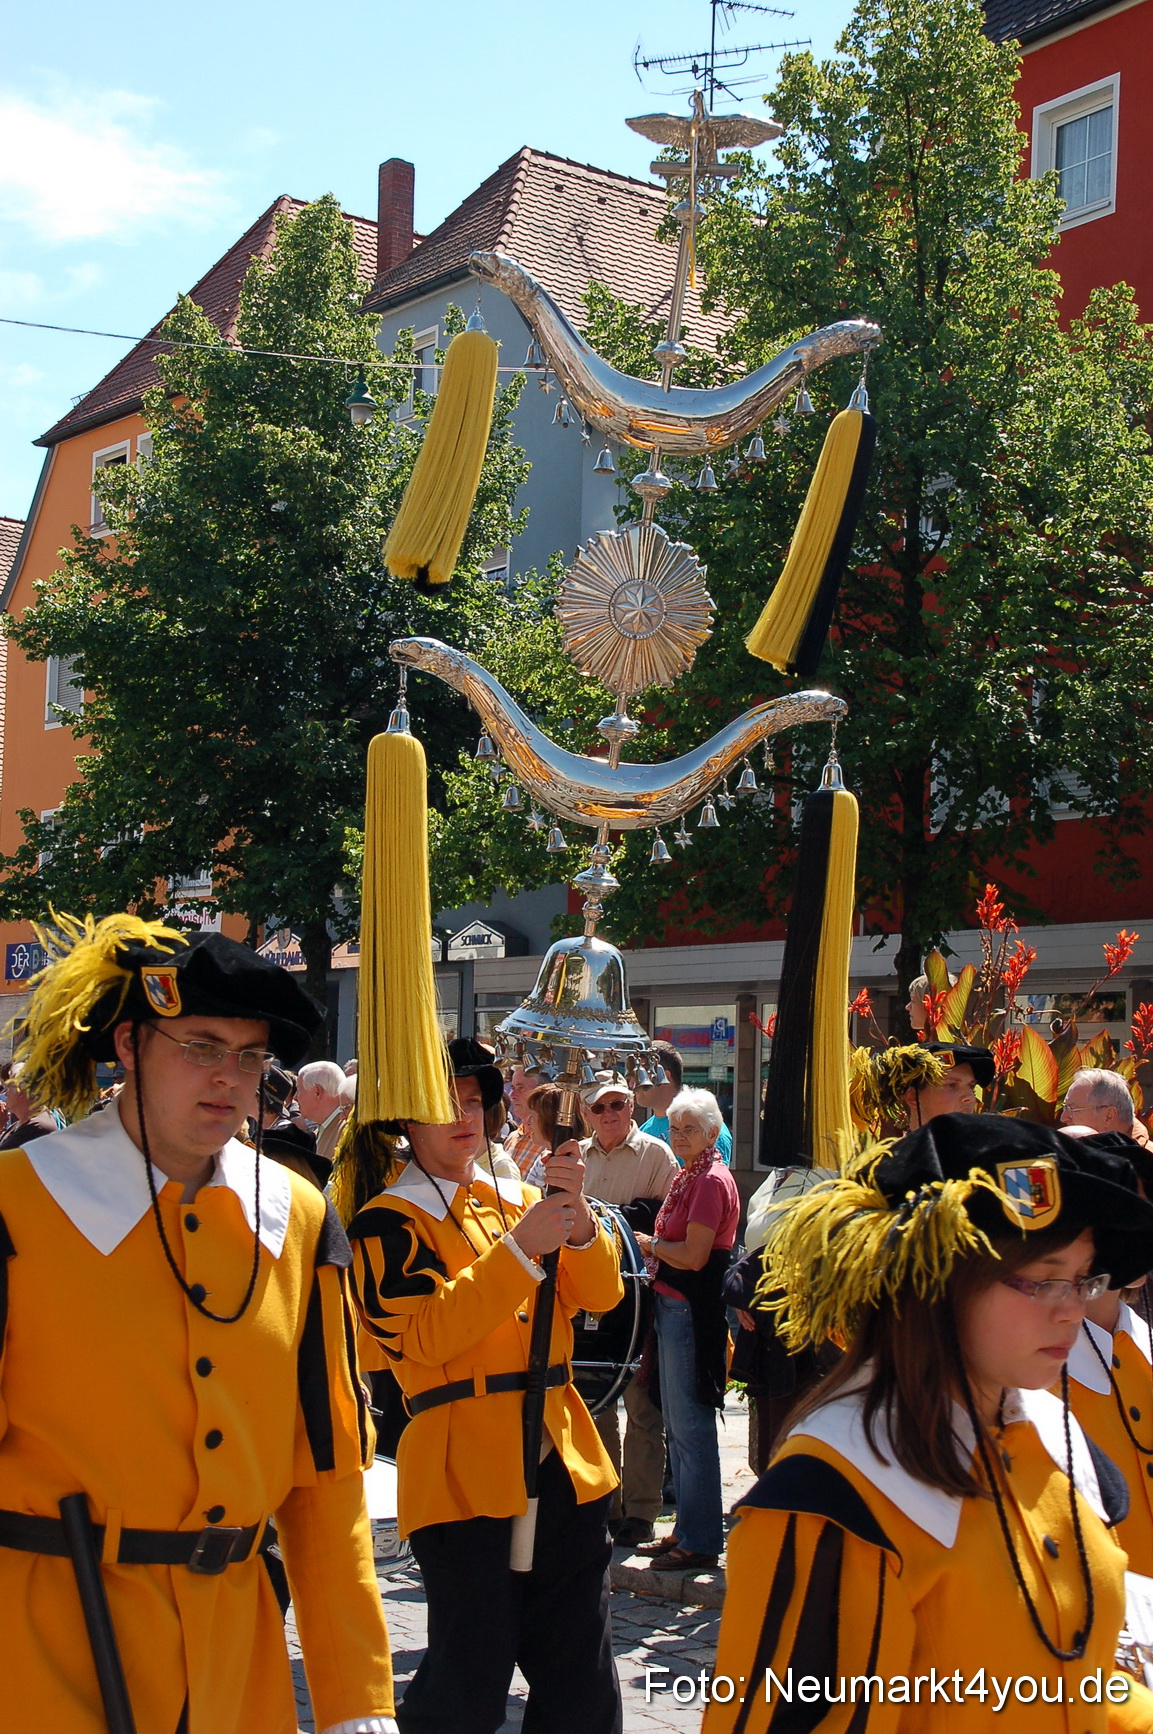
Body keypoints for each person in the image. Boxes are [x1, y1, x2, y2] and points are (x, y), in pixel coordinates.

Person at [0, 913, 394, 1734]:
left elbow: (326, 1478)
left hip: (235, 1668)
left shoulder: (297, 1213)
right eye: (201, 1046)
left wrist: (356, 1698)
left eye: (250, 1056)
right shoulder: (17, 1203)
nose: (230, 1078)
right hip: (42, 1654)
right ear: (130, 1047)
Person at [704, 1113, 1153, 1733]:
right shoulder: (831, 1503)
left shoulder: (1066, 1446)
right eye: (1044, 1281)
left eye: (1081, 1279)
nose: (1072, 1310)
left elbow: (1095, 1682)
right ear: (939, 1285)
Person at [348, 1037, 624, 1734]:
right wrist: (519, 1249)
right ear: (405, 1122)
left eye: (473, 1100)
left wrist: (578, 1216)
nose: (463, 1116)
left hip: (561, 1454)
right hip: (461, 1465)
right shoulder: (384, 1222)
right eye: (444, 1104)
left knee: (580, 1675)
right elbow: (423, 1338)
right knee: (469, 1673)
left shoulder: (521, 1199)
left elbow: (601, 1297)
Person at [633, 1088, 739, 1572]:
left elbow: (694, 1257)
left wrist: (651, 1245)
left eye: (690, 1129)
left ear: (713, 1133)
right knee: (678, 1426)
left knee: (692, 1428)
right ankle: (686, 1528)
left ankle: (699, 1538)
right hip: (673, 1306)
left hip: (691, 1311)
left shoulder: (710, 1180)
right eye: (675, 1128)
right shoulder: (689, 1175)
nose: (679, 1137)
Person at [577, 1074, 678, 1546]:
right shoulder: (575, 1155)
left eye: (617, 1104)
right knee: (595, 1400)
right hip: (588, 1292)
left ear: (632, 1107)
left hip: (639, 1294)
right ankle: (608, 1503)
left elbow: (664, 1219)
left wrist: (611, 1217)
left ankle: (641, 1510)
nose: (609, 1114)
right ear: (586, 1114)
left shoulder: (656, 1154)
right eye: (599, 1108)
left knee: (641, 1405)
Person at [634, 1042, 733, 1165]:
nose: (633, 1084)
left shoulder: (706, 1126)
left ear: (664, 1076)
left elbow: (712, 1180)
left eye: (641, 1076)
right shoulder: (643, 1130)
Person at [872, 1039, 995, 1129]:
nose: (970, 1098)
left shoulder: (992, 1161)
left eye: (971, 1086)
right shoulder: (892, 1162)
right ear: (912, 1097)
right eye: (951, 1085)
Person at [1064, 1067, 1152, 1147]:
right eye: (1065, 1108)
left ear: (1108, 1116)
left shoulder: (1145, 1161)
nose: (1063, 1118)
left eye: (1072, 1109)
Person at [295, 1059, 347, 1169]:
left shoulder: (346, 1130)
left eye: (299, 1090)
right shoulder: (323, 1128)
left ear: (317, 1092)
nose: (295, 1098)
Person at [0, 1061, 62, 1148]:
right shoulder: (22, 1123)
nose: (5, 1093)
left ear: (20, 1091)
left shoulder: (36, 1128)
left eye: (8, 1087)